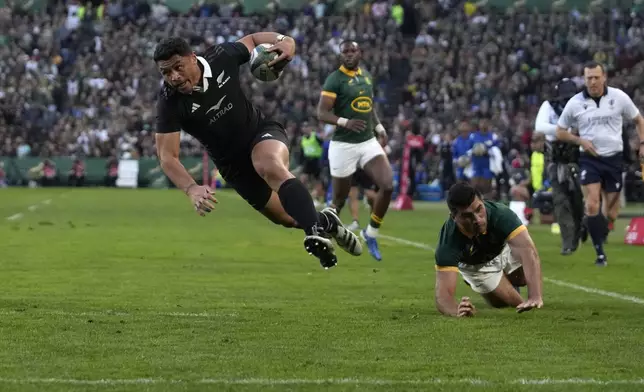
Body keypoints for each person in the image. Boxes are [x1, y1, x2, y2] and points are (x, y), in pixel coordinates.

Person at [153, 34, 362, 270]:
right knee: (288, 217)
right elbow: (167, 156)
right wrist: (191, 188)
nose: (174, 77)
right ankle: (327, 223)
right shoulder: (168, 103)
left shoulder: (221, 57)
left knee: (268, 165)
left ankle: (315, 232)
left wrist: (286, 42)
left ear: (192, 58)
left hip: (260, 133)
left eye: (178, 67)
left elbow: (252, 40)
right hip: (233, 166)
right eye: (166, 73)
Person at [556, 61, 644, 267]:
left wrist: (642, 144)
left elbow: (639, 119)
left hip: (614, 159)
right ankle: (600, 254)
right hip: (590, 159)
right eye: (589, 78)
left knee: (611, 211)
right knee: (592, 203)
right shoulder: (576, 103)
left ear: (604, 77)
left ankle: (592, 225)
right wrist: (580, 141)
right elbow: (560, 131)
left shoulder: (619, 97)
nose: (593, 82)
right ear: (584, 79)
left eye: (596, 77)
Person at [316, 40, 394, 262]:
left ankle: (370, 233)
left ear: (360, 53)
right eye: (345, 52)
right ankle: (322, 239)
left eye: (353, 51)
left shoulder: (366, 76)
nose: (349, 55)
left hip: (367, 141)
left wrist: (379, 127)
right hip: (343, 145)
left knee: (387, 185)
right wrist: (344, 121)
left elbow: (368, 106)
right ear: (340, 56)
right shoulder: (335, 79)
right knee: (338, 201)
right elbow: (321, 112)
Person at [434, 182, 544, 317]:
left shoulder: (501, 214)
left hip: (501, 250)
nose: (477, 219)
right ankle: (485, 284)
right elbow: (443, 297)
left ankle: (503, 280)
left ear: (483, 202)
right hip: (476, 266)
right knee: (510, 303)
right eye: (468, 216)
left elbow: (528, 251)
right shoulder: (449, 241)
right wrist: (456, 311)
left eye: (479, 209)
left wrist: (535, 296)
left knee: (522, 279)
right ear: (454, 217)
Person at [534, 78, 585, 255]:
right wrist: (562, 130)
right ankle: (567, 242)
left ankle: (579, 232)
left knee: (578, 199)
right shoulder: (549, 106)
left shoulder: (583, 105)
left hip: (576, 158)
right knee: (560, 199)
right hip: (555, 159)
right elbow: (539, 126)